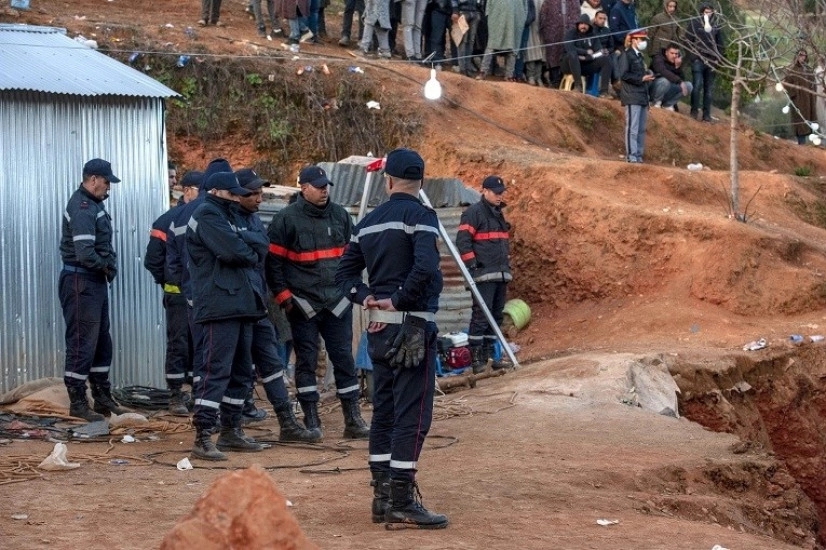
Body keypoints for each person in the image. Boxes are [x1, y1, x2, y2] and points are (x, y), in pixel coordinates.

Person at [335, 147, 448, 529]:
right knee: (412, 415)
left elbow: (344, 275)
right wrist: (399, 299)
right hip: (411, 328)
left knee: (383, 413)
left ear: (388, 181)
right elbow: (427, 268)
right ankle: (401, 500)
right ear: (420, 182)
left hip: (378, 331)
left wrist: (366, 297)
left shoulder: (367, 222)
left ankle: (381, 498)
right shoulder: (422, 216)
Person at [266, 165, 370, 441]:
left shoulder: (340, 216)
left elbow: (354, 257)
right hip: (304, 305)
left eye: (326, 186)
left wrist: (349, 290)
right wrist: (285, 299)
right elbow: (273, 265)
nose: (324, 190)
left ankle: (353, 419)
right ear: (304, 188)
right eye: (318, 186)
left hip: (337, 303)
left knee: (344, 359)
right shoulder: (286, 219)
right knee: (306, 362)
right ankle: (311, 419)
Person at [187, 170, 269, 461]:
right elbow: (236, 252)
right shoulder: (207, 214)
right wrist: (247, 248)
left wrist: (247, 246)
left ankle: (232, 430)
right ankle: (203, 436)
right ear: (218, 192)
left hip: (242, 303)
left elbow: (262, 244)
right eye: (233, 193)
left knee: (241, 372)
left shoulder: (232, 215)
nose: (238, 197)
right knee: (214, 371)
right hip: (219, 306)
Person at [234, 168, 319, 442]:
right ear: (236, 194)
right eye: (253, 193)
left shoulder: (255, 221)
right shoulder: (225, 220)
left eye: (261, 193)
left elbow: (263, 251)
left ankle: (288, 423)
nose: (259, 199)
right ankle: (230, 429)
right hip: (235, 308)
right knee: (236, 368)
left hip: (258, 306)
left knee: (272, 366)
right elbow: (245, 252)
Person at [59, 158, 126, 421]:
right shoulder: (83, 206)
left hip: (92, 282)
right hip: (81, 281)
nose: (109, 187)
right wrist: (107, 267)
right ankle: (77, 402)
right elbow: (85, 253)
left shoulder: (94, 205)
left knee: (100, 342)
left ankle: (101, 397)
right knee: (82, 342)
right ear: (94, 179)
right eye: (107, 182)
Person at [144, 171, 203, 416]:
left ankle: (198, 394)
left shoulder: (205, 217)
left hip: (198, 295)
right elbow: (153, 260)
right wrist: (169, 281)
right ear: (188, 190)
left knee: (200, 345)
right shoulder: (167, 220)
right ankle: (176, 394)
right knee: (179, 344)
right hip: (178, 295)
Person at [456, 175, 511, 373]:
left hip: (501, 274)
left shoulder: (498, 214)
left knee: (495, 316)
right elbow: (462, 241)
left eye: (501, 193)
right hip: (483, 275)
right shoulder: (473, 213)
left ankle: (491, 357)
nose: (499, 196)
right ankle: (476, 360)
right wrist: (473, 265)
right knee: (481, 316)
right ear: (485, 191)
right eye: (496, 193)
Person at [617, 28, 654, 163]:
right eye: (641, 39)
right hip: (632, 95)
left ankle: (638, 155)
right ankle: (631, 155)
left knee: (641, 129)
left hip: (642, 96)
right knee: (632, 128)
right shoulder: (626, 55)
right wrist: (641, 78)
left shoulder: (639, 56)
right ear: (634, 40)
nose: (643, 42)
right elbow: (624, 75)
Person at [684, 2, 723, 122]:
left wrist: (718, 59)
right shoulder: (694, 23)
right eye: (706, 12)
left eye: (710, 12)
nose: (708, 14)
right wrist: (693, 57)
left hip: (711, 61)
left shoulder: (716, 25)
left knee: (709, 90)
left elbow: (720, 43)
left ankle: (706, 115)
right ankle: (694, 111)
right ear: (702, 12)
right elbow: (687, 41)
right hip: (698, 60)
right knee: (697, 86)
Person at [561, 14, 612, 96]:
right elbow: (569, 48)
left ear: (589, 26)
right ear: (578, 25)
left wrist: (586, 58)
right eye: (581, 24)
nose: (583, 26)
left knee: (605, 58)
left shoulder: (593, 35)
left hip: (585, 65)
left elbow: (598, 51)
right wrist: (585, 52)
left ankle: (604, 92)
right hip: (569, 64)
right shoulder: (570, 33)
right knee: (573, 54)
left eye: (585, 24)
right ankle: (578, 86)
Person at [475, 0, 527, 81]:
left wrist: (522, 19)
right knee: (491, 46)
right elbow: (489, 5)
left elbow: (525, 7)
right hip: (497, 21)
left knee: (512, 49)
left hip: (514, 22)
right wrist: (489, 16)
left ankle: (509, 75)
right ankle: (483, 71)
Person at [538, 0, 580, 88]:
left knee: (567, 55)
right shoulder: (549, 1)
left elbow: (577, 15)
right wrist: (547, 30)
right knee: (553, 55)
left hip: (570, 33)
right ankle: (554, 80)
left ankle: (565, 81)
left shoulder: (575, 1)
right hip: (553, 33)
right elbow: (543, 16)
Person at [783, 50, 817, 145]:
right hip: (798, 101)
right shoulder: (792, 69)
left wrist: (813, 96)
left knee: (810, 123)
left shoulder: (809, 69)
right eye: (801, 55)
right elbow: (786, 85)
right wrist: (795, 94)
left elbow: (813, 85)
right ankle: (801, 147)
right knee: (800, 124)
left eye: (804, 56)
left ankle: (809, 148)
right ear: (797, 56)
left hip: (809, 101)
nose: (803, 57)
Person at [649, 43, 691, 110]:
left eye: (676, 54)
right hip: (655, 87)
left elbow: (682, 79)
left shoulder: (677, 61)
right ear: (666, 52)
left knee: (688, 85)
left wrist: (677, 67)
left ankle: (668, 104)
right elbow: (662, 71)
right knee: (664, 80)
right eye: (672, 53)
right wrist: (679, 81)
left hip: (668, 89)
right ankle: (655, 102)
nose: (674, 56)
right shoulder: (658, 58)